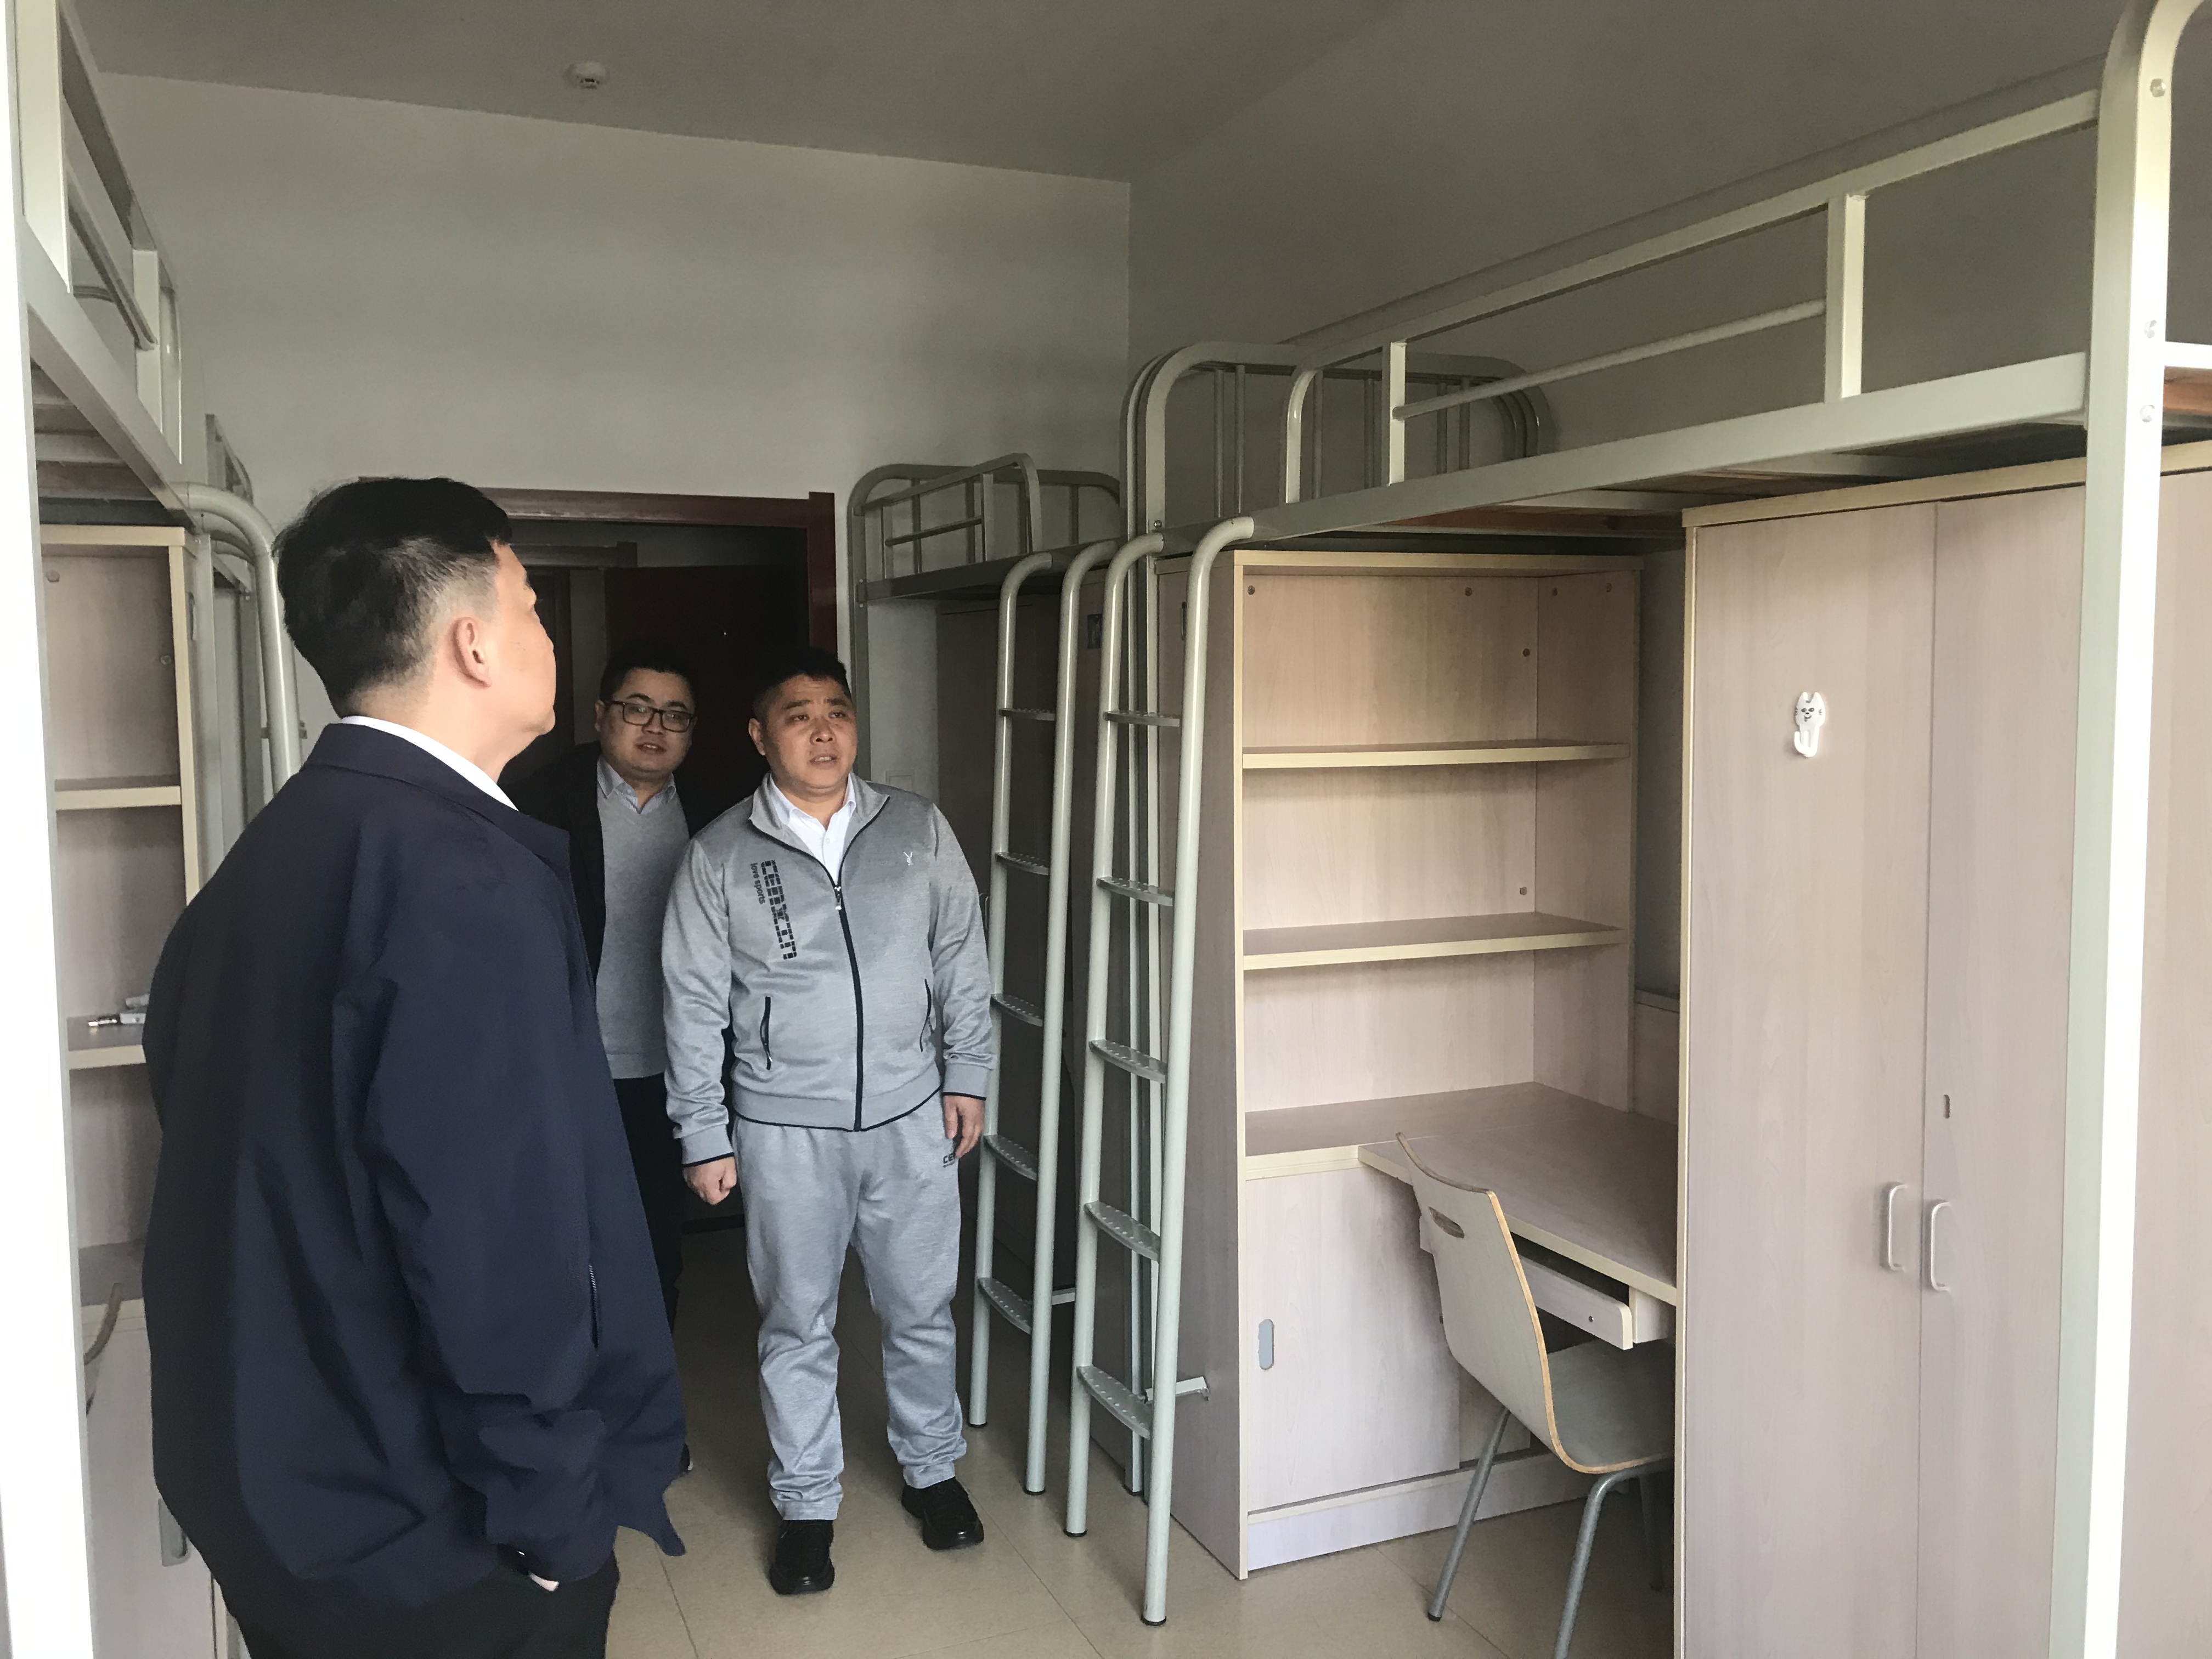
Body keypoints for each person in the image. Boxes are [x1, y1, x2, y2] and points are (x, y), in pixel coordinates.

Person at [142, 478, 684, 1659]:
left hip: (287, 1493)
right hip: (429, 1536)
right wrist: (552, 1521)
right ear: (473, 642)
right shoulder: (460, 881)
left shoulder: (275, 854)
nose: (545, 635)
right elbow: (496, 1242)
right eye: (530, 606)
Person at [661, 645, 992, 1597]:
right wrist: (704, 1132)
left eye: (837, 710)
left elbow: (961, 955)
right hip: (783, 1128)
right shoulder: (720, 853)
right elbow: (692, 1002)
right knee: (796, 1321)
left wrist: (967, 1073)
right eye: (798, 714)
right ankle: (807, 1504)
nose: (822, 729)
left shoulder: (915, 827)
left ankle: (931, 1470)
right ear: (759, 736)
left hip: (912, 1115)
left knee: (920, 1308)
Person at [513, 640, 737, 1327]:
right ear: (601, 714)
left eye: (675, 715)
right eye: (638, 708)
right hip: (568, 1064)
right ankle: (573, 1374)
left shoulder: (721, 813)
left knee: (654, 1239)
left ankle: (649, 1375)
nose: (655, 728)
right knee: (558, 1236)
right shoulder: (536, 801)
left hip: (671, 1070)